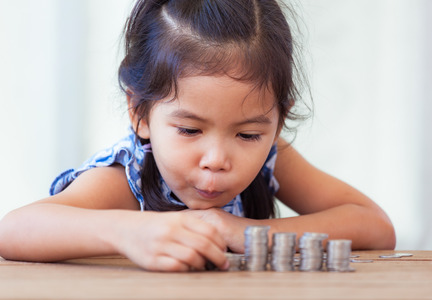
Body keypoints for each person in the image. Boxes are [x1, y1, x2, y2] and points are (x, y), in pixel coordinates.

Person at [0, 0, 395, 272]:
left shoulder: (272, 156)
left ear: (278, 121)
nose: (217, 159)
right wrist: (130, 232)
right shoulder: (130, 177)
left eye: (248, 135)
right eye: (189, 129)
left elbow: (374, 227)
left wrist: (243, 233)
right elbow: (15, 230)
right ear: (139, 112)